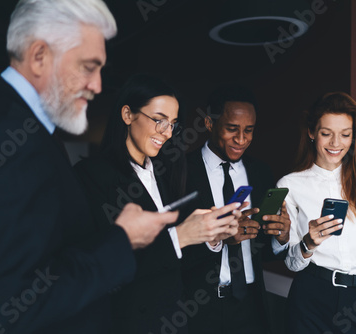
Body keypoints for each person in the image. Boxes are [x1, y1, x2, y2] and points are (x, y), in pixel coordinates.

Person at [0, 1, 179, 333]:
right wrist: (123, 239)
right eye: (88, 67)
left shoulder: (4, 122)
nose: (97, 85)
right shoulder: (9, 139)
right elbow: (18, 303)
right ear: (39, 56)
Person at [74, 74, 241, 333]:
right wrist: (179, 237)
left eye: (172, 123)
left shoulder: (166, 174)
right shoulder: (92, 175)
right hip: (126, 322)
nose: (166, 132)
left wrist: (210, 235)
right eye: (158, 120)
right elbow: (101, 263)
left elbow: (177, 261)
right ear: (128, 115)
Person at [277, 92, 356, 334]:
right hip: (310, 299)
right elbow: (291, 263)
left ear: (354, 137)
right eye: (326, 133)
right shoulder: (289, 186)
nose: (336, 143)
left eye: (345, 134)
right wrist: (308, 243)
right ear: (312, 132)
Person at [181, 85, 291, 334]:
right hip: (199, 309)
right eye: (232, 129)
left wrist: (281, 236)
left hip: (252, 306)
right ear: (209, 123)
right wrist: (218, 239)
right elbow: (169, 252)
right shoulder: (181, 172)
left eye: (249, 130)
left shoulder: (261, 172)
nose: (241, 139)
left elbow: (265, 249)